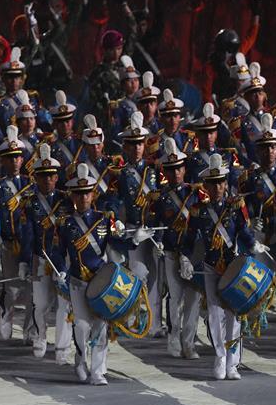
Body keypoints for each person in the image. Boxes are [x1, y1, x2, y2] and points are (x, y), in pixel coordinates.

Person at [181, 153, 266, 380]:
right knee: (214, 313)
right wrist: (185, 258)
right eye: (213, 183)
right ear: (206, 186)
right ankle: (220, 357)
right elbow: (189, 239)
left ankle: (232, 362)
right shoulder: (198, 210)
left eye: (220, 182)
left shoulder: (235, 207)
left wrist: (254, 244)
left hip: (232, 266)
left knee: (233, 314)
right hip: (211, 266)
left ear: (225, 184)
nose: (217, 187)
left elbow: (244, 232)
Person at [57, 163, 129, 385]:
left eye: (87, 193)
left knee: (100, 326)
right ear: (73, 196)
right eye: (79, 194)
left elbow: (117, 243)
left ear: (93, 194)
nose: (83, 198)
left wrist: (132, 239)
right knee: (81, 325)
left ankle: (98, 371)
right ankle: (80, 360)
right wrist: (60, 270)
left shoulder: (103, 219)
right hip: (78, 281)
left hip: (100, 281)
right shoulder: (66, 223)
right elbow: (58, 251)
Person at [242, 114, 276, 337]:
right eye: (264, 148)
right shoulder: (251, 178)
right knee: (258, 277)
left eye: (272, 147)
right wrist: (250, 221)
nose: (269, 152)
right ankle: (256, 317)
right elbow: (244, 206)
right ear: (258, 150)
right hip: (261, 234)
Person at [22, 143, 72, 363]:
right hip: (40, 258)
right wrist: (25, 261)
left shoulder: (67, 201)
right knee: (41, 303)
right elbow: (27, 234)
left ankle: (62, 347)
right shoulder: (29, 203)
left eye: (51, 176)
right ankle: (40, 337)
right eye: (42, 176)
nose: (47, 180)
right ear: (36, 178)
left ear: (57, 177)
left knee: (64, 305)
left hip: (63, 261)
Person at [0, 126, 33, 341]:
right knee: (11, 288)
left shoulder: (31, 185)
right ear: (3, 161)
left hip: (30, 244)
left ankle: (30, 330)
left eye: (17, 157)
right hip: (8, 243)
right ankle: (6, 317)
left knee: (32, 290)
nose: (14, 162)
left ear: (22, 160)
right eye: (10, 158)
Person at [152, 137, 200, 358]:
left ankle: (189, 343)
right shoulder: (161, 198)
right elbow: (157, 223)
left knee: (193, 299)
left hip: (192, 253)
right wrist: (158, 241)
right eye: (171, 170)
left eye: (179, 168)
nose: (176, 173)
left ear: (184, 169)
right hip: (172, 252)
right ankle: (174, 340)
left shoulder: (196, 193)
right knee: (175, 298)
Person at [117, 111, 163, 339]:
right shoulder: (120, 174)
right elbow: (116, 201)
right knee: (136, 274)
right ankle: (133, 318)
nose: (136, 148)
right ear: (125, 147)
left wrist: (161, 236)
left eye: (140, 143)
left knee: (156, 278)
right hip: (133, 228)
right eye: (132, 144)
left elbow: (163, 200)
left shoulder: (155, 170)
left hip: (154, 229)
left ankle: (155, 324)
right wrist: (119, 222)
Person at [67, 114, 122, 213]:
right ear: (85, 147)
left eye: (98, 144)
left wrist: (112, 211)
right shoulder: (78, 168)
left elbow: (116, 193)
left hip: (108, 209)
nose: (95, 148)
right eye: (91, 145)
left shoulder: (112, 165)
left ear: (103, 144)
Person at [47, 90, 80, 178]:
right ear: (55, 124)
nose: (65, 125)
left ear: (72, 122)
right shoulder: (50, 147)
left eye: (67, 121)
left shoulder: (81, 143)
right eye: (61, 122)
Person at [108, 55, 141, 140]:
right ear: (122, 84)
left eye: (136, 80)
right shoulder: (119, 105)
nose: (133, 83)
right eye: (129, 81)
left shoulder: (145, 100)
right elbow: (116, 131)